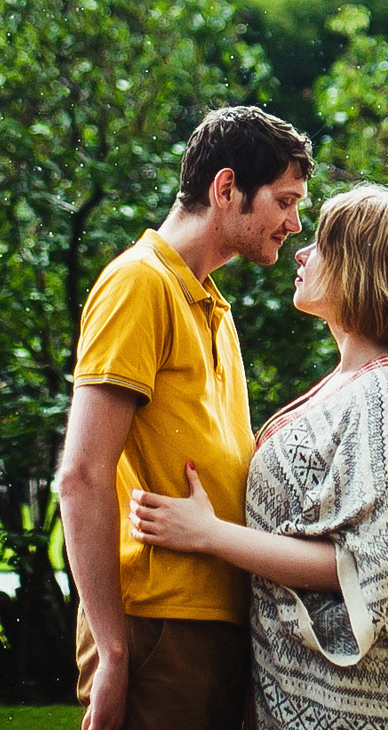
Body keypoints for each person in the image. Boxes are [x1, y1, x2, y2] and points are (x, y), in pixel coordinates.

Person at [130, 183, 388, 729]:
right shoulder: (354, 383)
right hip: (308, 689)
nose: (302, 250)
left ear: (362, 268)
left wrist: (208, 534)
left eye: (324, 244)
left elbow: (352, 566)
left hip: (357, 703)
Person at [57, 106, 315, 730]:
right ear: (225, 189)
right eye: (284, 201)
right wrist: (114, 652)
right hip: (156, 624)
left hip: (213, 618)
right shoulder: (138, 285)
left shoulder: (211, 304)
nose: (294, 222)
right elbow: (82, 475)